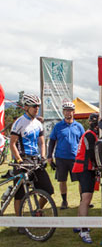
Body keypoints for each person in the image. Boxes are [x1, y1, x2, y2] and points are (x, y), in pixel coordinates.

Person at [9, 93, 54, 228]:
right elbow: (12, 144)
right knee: (20, 194)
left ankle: (35, 212)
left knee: (48, 190)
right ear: (26, 107)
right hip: (22, 160)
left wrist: (44, 157)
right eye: (34, 106)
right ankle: (20, 224)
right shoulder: (19, 123)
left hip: (36, 161)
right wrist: (19, 160)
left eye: (38, 106)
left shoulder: (38, 123)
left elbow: (41, 143)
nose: (36, 109)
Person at [47, 102, 84, 209]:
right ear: (63, 112)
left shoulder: (79, 126)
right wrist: (49, 155)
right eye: (66, 110)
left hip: (75, 158)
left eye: (70, 110)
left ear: (74, 112)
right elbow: (52, 141)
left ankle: (82, 200)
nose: (68, 112)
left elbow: (83, 141)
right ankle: (64, 201)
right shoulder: (58, 126)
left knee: (80, 180)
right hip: (61, 158)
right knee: (62, 180)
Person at [71, 113, 99, 243]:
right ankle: (84, 230)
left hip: (85, 167)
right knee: (86, 198)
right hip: (84, 168)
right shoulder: (90, 135)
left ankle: (78, 223)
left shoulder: (91, 134)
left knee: (84, 198)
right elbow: (92, 154)